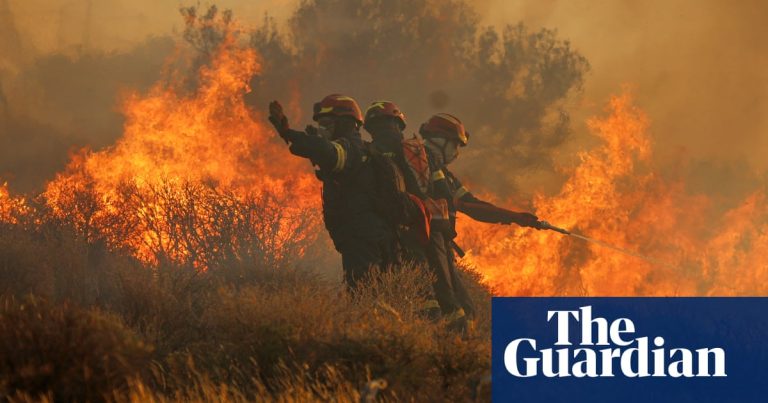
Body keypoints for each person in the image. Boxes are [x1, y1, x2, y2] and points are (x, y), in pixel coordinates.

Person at [267, 94, 427, 290]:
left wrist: (289, 133)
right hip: (377, 235)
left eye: (326, 123)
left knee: (362, 293)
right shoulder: (363, 150)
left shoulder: (351, 149)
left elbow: (329, 153)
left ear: (344, 123)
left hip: (362, 237)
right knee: (382, 294)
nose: (323, 129)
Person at [363, 101, 471, 329]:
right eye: (455, 146)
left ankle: (432, 338)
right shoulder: (418, 155)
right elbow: (451, 199)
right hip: (430, 237)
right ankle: (457, 345)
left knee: (422, 297)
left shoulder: (368, 154)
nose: (456, 153)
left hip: (396, 239)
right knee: (450, 301)